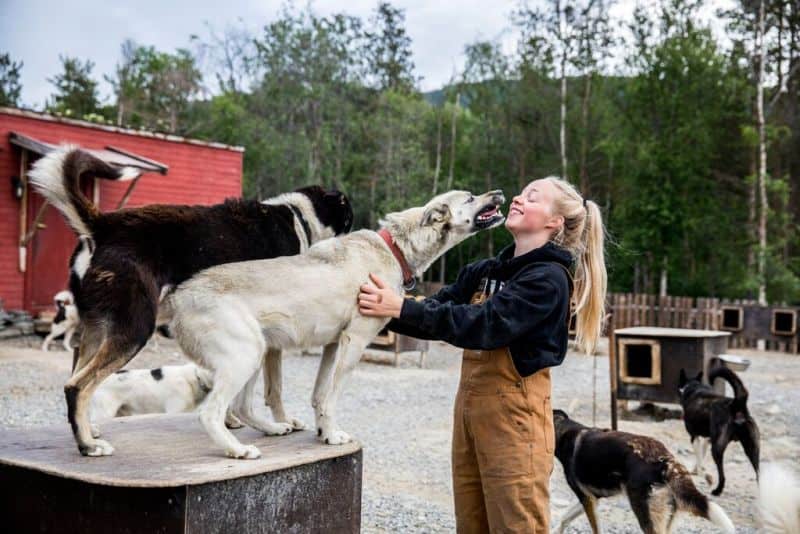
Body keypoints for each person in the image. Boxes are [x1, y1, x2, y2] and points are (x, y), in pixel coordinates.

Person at [358, 177, 607, 533]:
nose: (519, 198)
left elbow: (483, 323)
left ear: (554, 222)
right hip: (471, 417)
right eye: (521, 193)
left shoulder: (548, 279)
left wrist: (399, 308)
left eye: (533, 198)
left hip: (516, 424)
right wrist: (375, 309)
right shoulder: (486, 271)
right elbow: (435, 312)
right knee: (472, 525)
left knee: (516, 526)